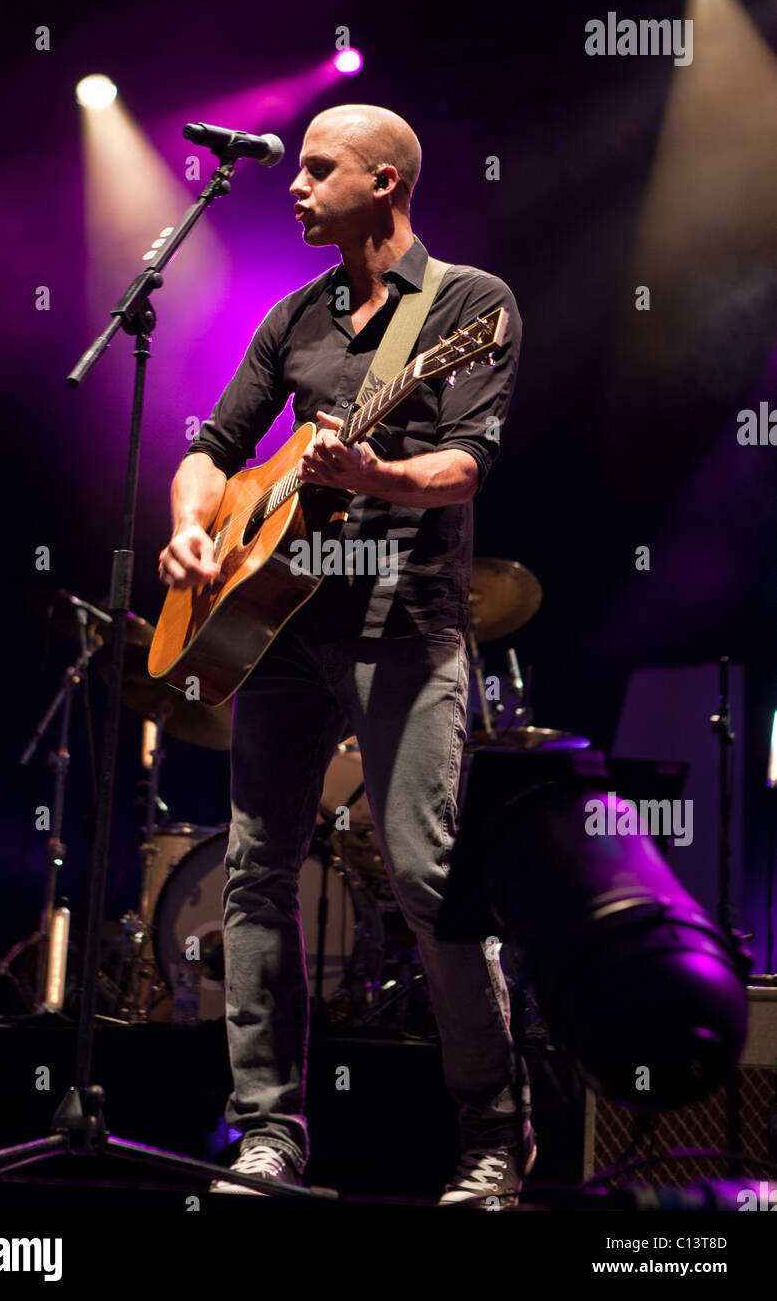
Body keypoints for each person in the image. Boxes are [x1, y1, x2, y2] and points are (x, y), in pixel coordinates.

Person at [157, 103, 534, 1207]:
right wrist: (193, 524)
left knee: (426, 879)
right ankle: (267, 1136)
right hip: (276, 628)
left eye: (317, 169)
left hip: (405, 626)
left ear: (383, 182)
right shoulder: (294, 315)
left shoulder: (468, 307)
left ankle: (491, 1143)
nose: (293, 183)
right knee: (251, 872)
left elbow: (463, 466)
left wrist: (371, 478)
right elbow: (211, 449)